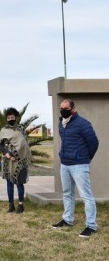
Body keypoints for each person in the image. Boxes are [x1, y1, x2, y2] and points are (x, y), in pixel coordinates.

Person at [51, 99, 99, 238]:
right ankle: (68, 220)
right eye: (61, 108)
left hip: (79, 165)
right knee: (67, 193)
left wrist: (85, 158)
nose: (63, 110)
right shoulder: (62, 123)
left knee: (86, 196)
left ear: (73, 109)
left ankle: (91, 226)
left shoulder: (83, 123)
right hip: (65, 164)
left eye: (65, 108)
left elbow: (94, 143)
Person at [0, 107, 31, 214]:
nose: (11, 119)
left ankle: (21, 205)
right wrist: (6, 153)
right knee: (9, 183)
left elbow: (24, 144)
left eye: (12, 117)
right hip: (8, 160)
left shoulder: (21, 129)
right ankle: (11, 205)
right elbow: (0, 144)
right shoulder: (3, 130)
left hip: (20, 160)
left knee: (19, 183)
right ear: (6, 118)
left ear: (16, 117)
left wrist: (15, 155)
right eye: (9, 117)